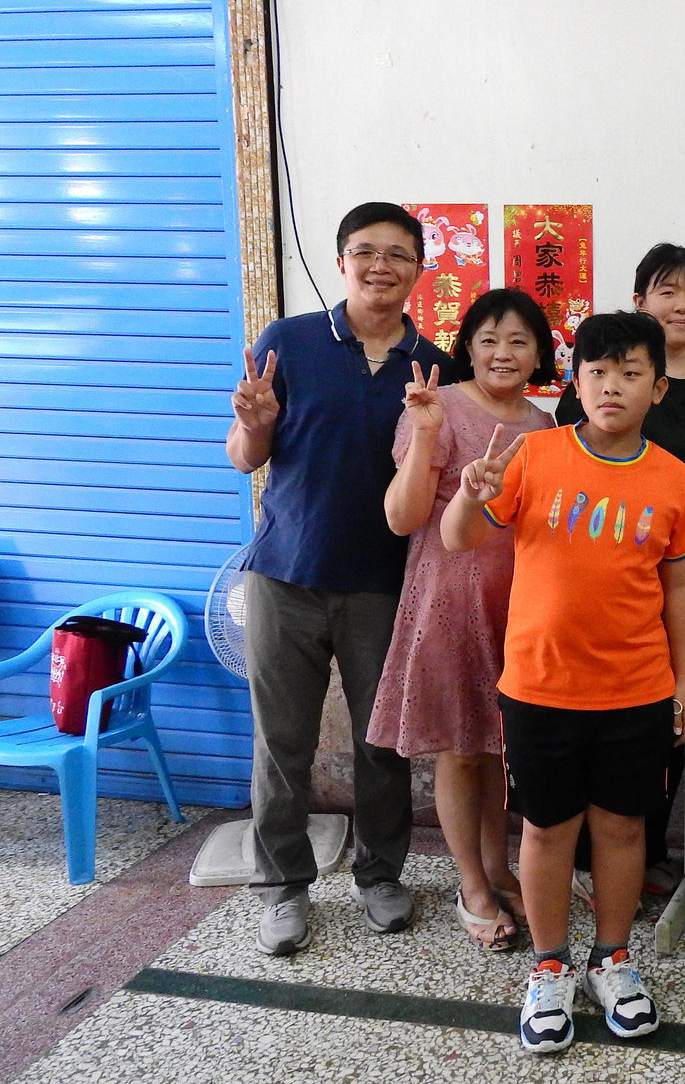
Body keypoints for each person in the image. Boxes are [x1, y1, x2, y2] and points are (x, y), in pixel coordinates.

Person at [441, 310, 685, 1054]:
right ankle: (549, 966)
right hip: (538, 688)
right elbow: (461, 539)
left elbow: (679, 589)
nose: (612, 386)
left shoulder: (671, 477)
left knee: (622, 829)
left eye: (630, 373)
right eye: (597, 372)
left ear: (657, 386)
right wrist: (468, 491)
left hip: (637, 689)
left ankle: (612, 959)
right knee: (548, 830)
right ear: (574, 382)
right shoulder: (532, 454)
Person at [227, 202, 455, 956]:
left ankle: (381, 876)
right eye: (366, 251)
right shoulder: (288, 341)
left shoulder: (435, 365)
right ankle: (281, 888)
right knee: (282, 744)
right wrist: (256, 423)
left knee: (381, 743)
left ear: (419, 269)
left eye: (398, 253)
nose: (381, 265)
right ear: (341, 261)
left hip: (384, 586)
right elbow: (243, 456)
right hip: (285, 577)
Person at [555, 243, 685, 900]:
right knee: (587, 720)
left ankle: (642, 851)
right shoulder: (603, 374)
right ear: (639, 301)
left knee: (663, 713)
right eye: (667, 291)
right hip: (594, 572)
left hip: (672, 568)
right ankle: (583, 859)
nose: (682, 304)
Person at [367, 288, 557, 950]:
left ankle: (501, 868)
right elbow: (402, 517)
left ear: (539, 351)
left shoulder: (545, 427)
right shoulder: (438, 407)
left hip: (518, 603)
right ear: (467, 347)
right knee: (459, 748)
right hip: (449, 595)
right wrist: (423, 438)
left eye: (518, 341)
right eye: (488, 339)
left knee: (499, 747)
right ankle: (471, 883)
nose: (503, 353)